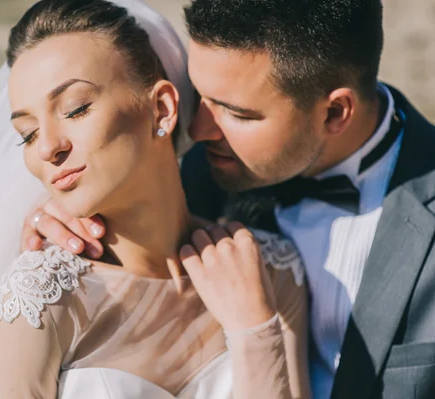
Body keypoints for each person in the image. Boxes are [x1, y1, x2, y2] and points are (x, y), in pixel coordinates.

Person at [0, 1, 309, 398]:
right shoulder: (43, 299)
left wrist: (255, 333)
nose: (48, 147)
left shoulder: (270, 271)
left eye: (75, 109)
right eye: (26, 135)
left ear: (162, 109)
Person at [28, 1, 435, 398]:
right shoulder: (194, 173)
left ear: (334, 113)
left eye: (236, 113)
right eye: (199, 96)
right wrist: (75, 212)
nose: (198, 129)